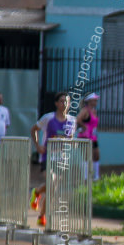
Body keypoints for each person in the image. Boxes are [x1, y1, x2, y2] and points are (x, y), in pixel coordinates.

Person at [29, 92, 76, 226]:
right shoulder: (48, 118)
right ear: (56, 103)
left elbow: (70, 138)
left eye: (67, 102)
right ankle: (41, 210)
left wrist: (71, 142)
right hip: (47, 157)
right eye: (61, 101)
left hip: (61, 158)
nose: (64, 104)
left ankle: (38, 199)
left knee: (53, 188)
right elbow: (34, 129)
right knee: (52, 182)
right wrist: (38, 146)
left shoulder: (71, 120)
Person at [76, 92, 101, 180]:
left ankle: (96, 177)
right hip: (85, 137)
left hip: (93, 138)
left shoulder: (94, 111)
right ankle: (85, 177)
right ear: (89, 101)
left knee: (96, 155)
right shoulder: (85, 110)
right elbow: (78, 119)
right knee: (86, 157)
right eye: (94, 100)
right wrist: (83, 126)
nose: (96, 101)